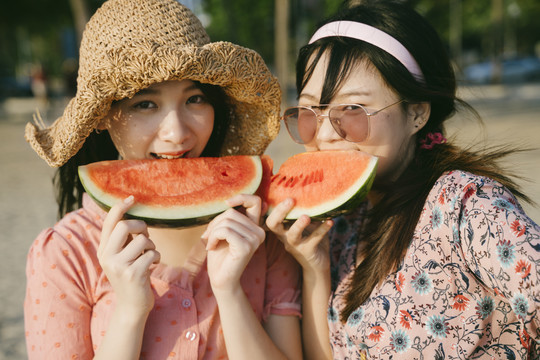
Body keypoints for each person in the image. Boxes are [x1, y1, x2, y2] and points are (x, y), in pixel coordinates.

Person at [23, 0, 302, 359]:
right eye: (146, 104)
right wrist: (128, 312)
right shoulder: (65, 253)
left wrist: (229, 290)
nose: (176, 133)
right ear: (102, 116)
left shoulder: (260, 237)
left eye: (195, 98)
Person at [266, 1, 540, 359]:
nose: (326, 134)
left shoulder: (465, 204)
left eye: (352, 109)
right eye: (310, 111)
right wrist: (314, 267)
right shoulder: (341, 225)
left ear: (416, 113)